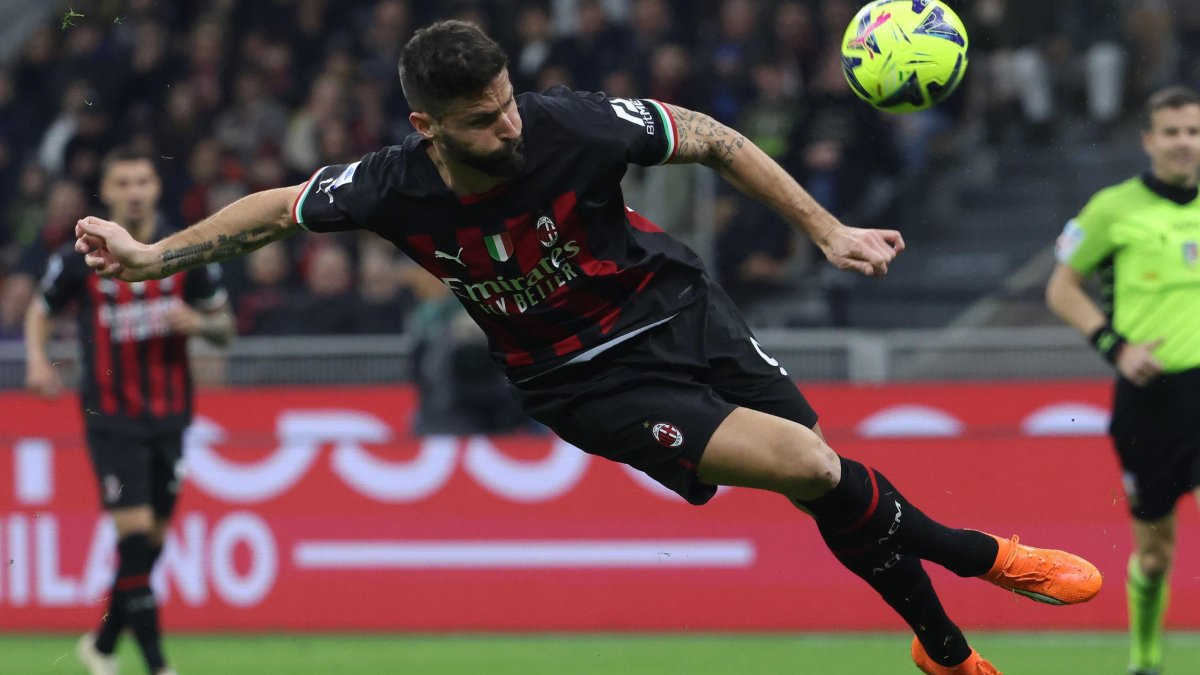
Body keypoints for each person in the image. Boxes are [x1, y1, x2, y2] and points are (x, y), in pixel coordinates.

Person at [74, 21, 1101, 675]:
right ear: (426, 126)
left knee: (825, 483)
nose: (511, 128)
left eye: (511, 101)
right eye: (483, 121)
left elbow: (712, 137)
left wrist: (824, 228)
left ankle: (943, 653)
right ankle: (984, 559)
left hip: (677, 304)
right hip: (582, 380)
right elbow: (270, 211)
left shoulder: (568, 125)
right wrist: (153, 253)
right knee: (812, 465)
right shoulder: (391, 185)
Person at [26, 147, 233, 675]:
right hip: (112, 418)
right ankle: (159, 666)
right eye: (124, 183)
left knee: (148, 548)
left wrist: (199, 323)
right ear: (109, 191)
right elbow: (40, 309)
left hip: (171, 416)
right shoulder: (84, 254)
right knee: (137, 535)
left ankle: (101, 645)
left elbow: (224, 328)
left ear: (157, 188)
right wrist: (37, 362)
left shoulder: (186, 250)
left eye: (143, 181)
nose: (135, 191)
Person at [1046, 85, 1200, 675]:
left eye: (1193, 131)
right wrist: (1114, 346)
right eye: (1172, 132)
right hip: (1148, 403)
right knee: (1155, 555)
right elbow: (1061, 288)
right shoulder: (1113, 209)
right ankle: (1144, 656)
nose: (1184, 142)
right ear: (1149, 140)